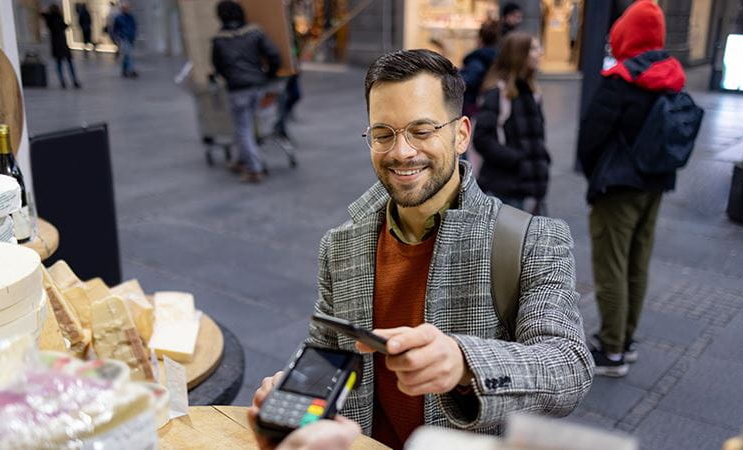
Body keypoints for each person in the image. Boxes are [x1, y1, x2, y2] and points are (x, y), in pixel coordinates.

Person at [252, 49, 593, 448]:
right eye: (383, 134)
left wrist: (465, 363)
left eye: (422, 130)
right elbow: (327, 354)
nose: (401, 152)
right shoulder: (339, 245)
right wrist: (298, 392)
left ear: (461, 134)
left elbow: (569, 365)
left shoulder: (534, 240)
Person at [577, 0, 686, 377]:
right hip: (655, 183)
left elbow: (590, 138)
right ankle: (626, 339)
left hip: (618, 186)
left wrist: (595, 175)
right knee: (638, 263)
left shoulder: (620, 81)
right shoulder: (671, 75)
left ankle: (611, 351)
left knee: (611, 266)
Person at [473, 32, 549, 215]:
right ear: (519, 54)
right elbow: (481, 139)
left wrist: (542, 161)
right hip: (506, 189)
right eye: (533, 48)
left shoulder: (532, 92)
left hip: (531, 188)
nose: (540, 52)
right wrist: (516, 159)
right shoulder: (498, 94)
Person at [211, 0, 281, 183]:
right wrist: (269, 74)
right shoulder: (254, 33)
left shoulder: (219, 40)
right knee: (249, 126)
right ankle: (241, 160)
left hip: (237, 89)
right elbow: (274, 55)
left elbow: (218, 67)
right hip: (258, 86)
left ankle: (254, 169)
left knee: (243, 129)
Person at [459, 19, 499, 118]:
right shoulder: (497, 58)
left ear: (479, 38)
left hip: (472, 105)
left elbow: (467, 80)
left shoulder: (477, 59)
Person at [41, 4, 81, 89]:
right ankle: (74, 81)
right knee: (69, 63)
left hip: (56, 44)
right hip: (62, 43)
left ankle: (63, 81)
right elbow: (63, 26)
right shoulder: (57, 17)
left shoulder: (50, 18)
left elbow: (42, 14)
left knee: (59, 64)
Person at [112, 2, 138, 78]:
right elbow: (115, 29)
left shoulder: (131, 17)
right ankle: (131, 70)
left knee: (126, 55)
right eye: (125, 8)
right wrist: (117, 37)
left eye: (127, 8)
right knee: (129, 54)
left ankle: (124, 70)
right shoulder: (118, 18)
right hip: (123, 38)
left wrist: (134, 34)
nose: (127, 10)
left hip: (130, 38)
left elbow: (134, 26)